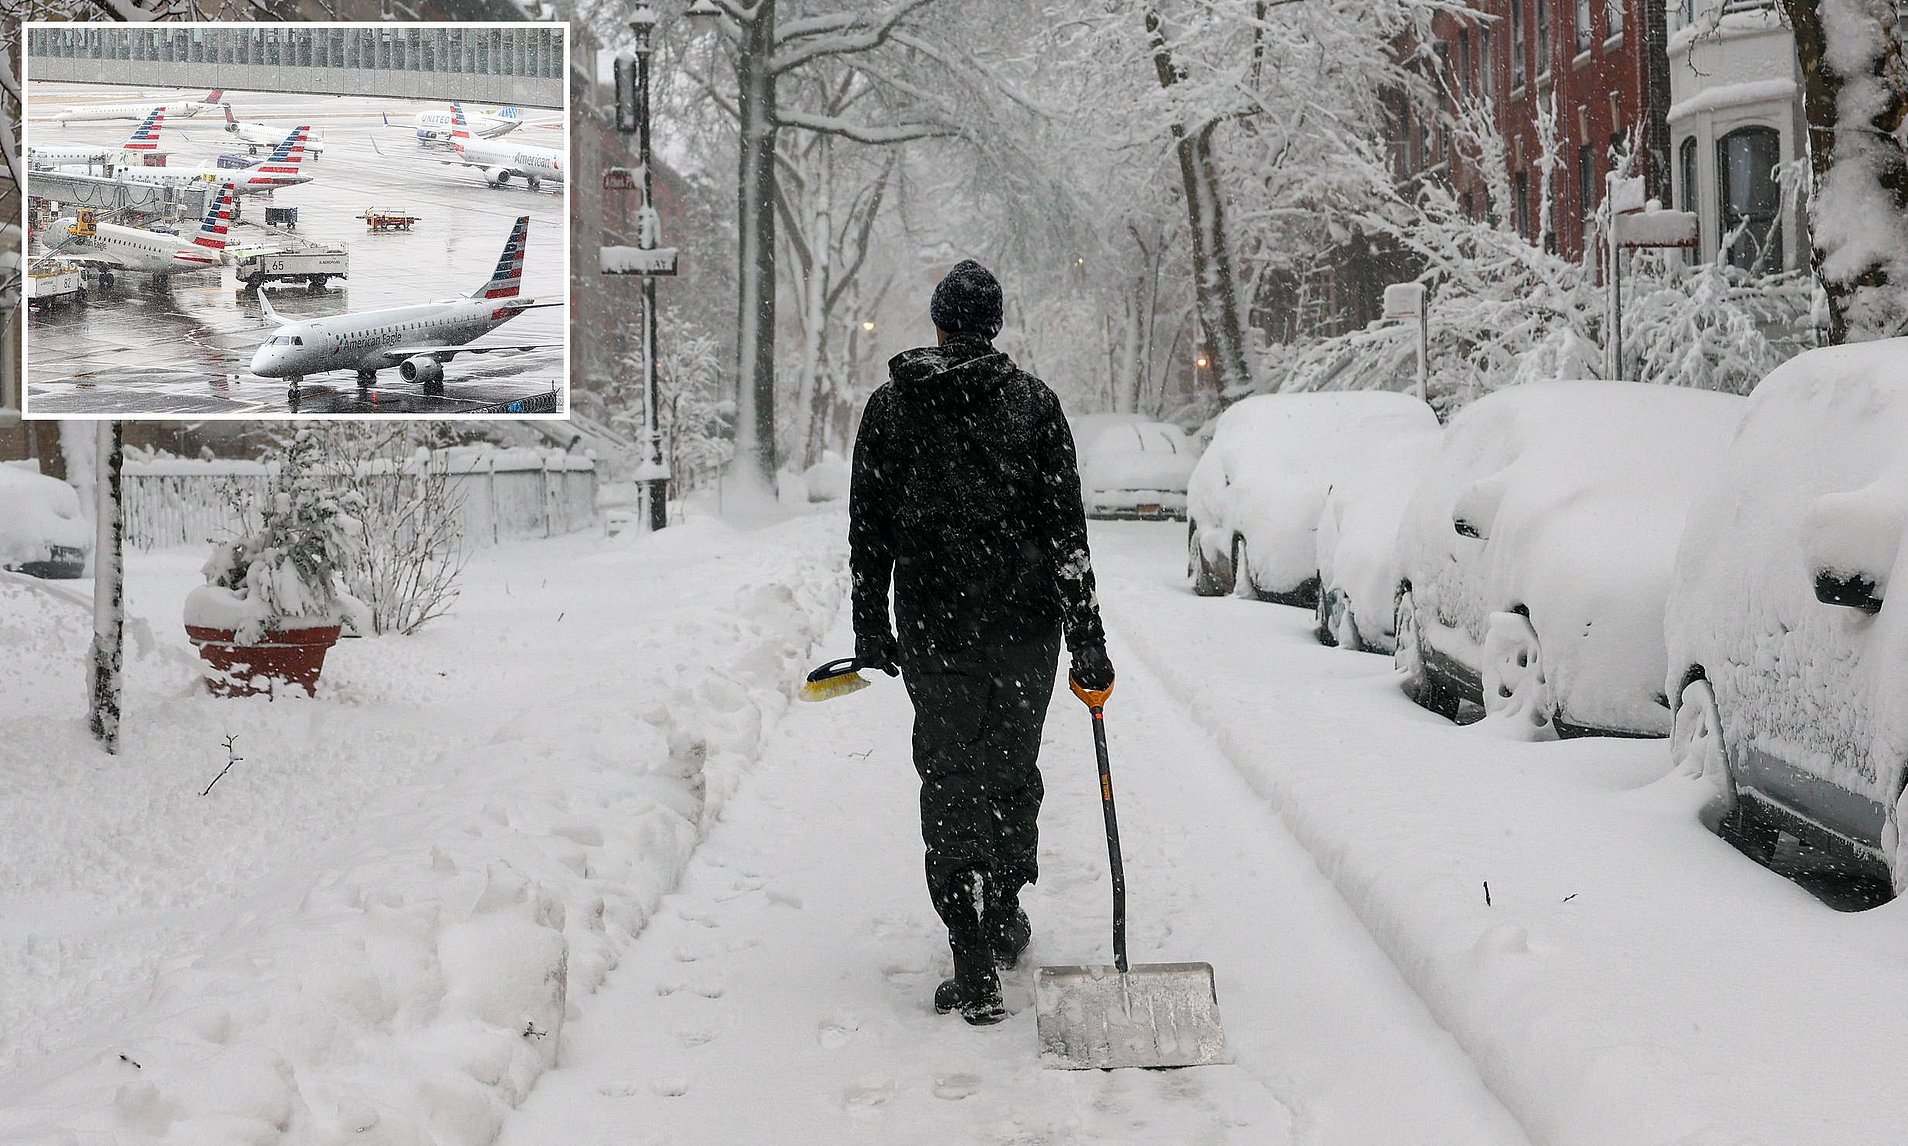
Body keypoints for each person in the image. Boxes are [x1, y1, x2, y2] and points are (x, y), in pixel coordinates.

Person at [847, 259, 1115, 1026]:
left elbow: (870, 531)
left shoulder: (892, 411)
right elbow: (1067, 535)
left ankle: (969, 942)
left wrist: (872, 624)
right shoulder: (1035, 408)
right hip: (1024, 631)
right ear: (995, 326)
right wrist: (1086, 638)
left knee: (949, 773)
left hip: (936, 627)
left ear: (938, 324)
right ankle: (1000, 905)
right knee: (1008, 769)